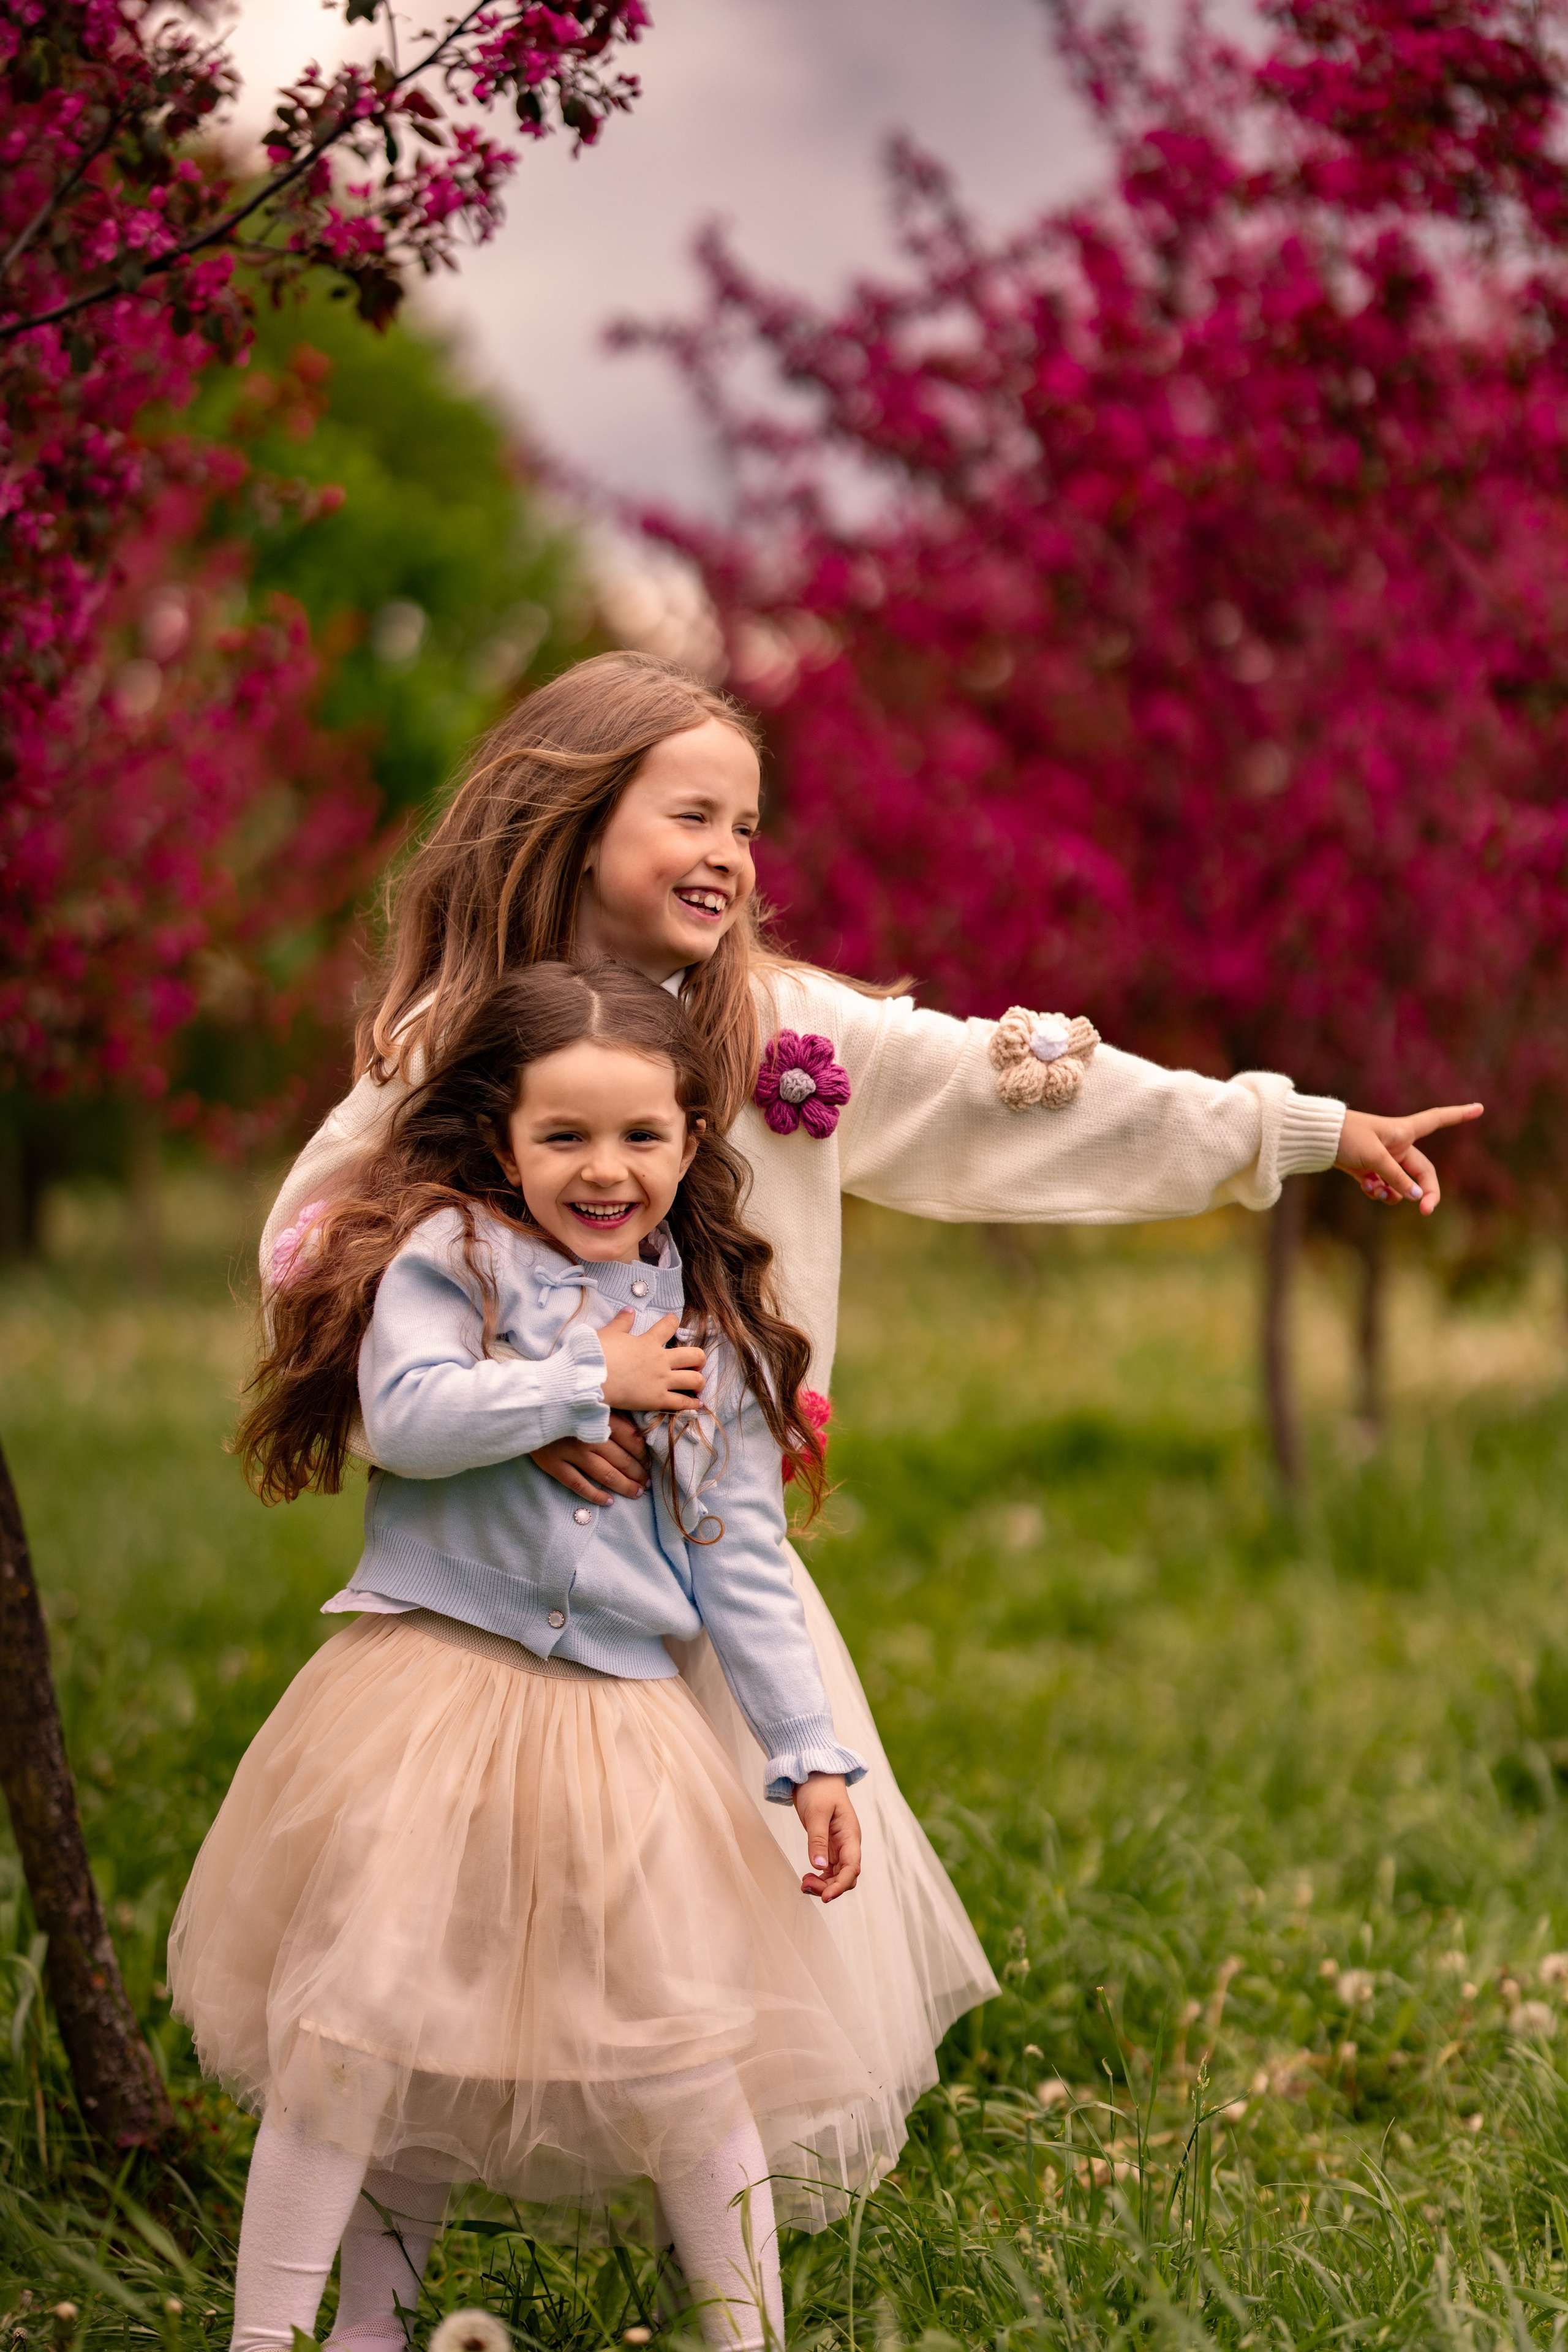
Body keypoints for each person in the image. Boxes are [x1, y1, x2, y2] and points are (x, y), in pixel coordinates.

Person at [257, 648, 1480, 2284]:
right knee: (437, 1958)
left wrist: (1300, 1129)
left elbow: (1020, 1100)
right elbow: (313, 1238)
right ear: (576, 812)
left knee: (702, 1981)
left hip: (708, 1590)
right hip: (487, 1613)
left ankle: (709, 2288)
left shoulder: (787, 1036)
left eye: (746, 825)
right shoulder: (467, 1047)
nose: (728, 852)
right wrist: (534, 1400)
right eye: (689, 811)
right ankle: (369, 2305)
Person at [172, 960, 888, 2352]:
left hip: (619, 1732)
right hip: (429, 1694)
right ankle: (288, 2338)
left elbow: (738, 1557)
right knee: (364, 2035)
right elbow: (414, 1414)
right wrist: (586, 1382)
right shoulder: (455, 1258)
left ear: (693, 1142)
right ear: (501, 1138)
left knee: (684, 2061)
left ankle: (750, 2340)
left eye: (640, 1136)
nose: (603, 1169)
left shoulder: (714, 1328)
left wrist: (806, 1755)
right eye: (563, 1136)